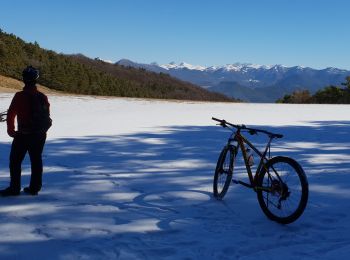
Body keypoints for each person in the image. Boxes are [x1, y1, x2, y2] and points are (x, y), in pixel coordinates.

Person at [0, 66, 51, 196]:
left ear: (24, 79)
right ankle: (34, 188)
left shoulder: (19, 96)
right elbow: (46, 114)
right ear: (36, 80)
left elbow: (11, 114)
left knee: (15, 161)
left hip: (23, 134)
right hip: (39, 135)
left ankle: (14, 188)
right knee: (36, 160)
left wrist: (11, 131)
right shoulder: (42, 97)